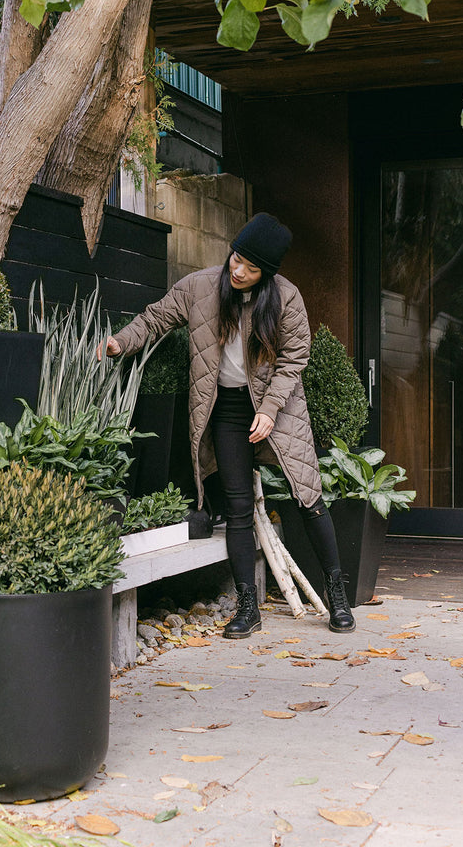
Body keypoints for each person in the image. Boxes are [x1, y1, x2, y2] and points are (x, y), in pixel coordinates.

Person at [101, 212, 355, 638]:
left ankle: (338, 596)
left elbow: (295, 358)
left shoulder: (286, 299)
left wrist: (271, 408)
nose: (238, 271)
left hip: (280, 406)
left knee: (308, 496)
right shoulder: (200, 287)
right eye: (236, 259)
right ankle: (247, 607)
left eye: (251, 268)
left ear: (267, 274)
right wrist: (120, 341)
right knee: (238, 509)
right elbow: (156, 317)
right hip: (226, 408)